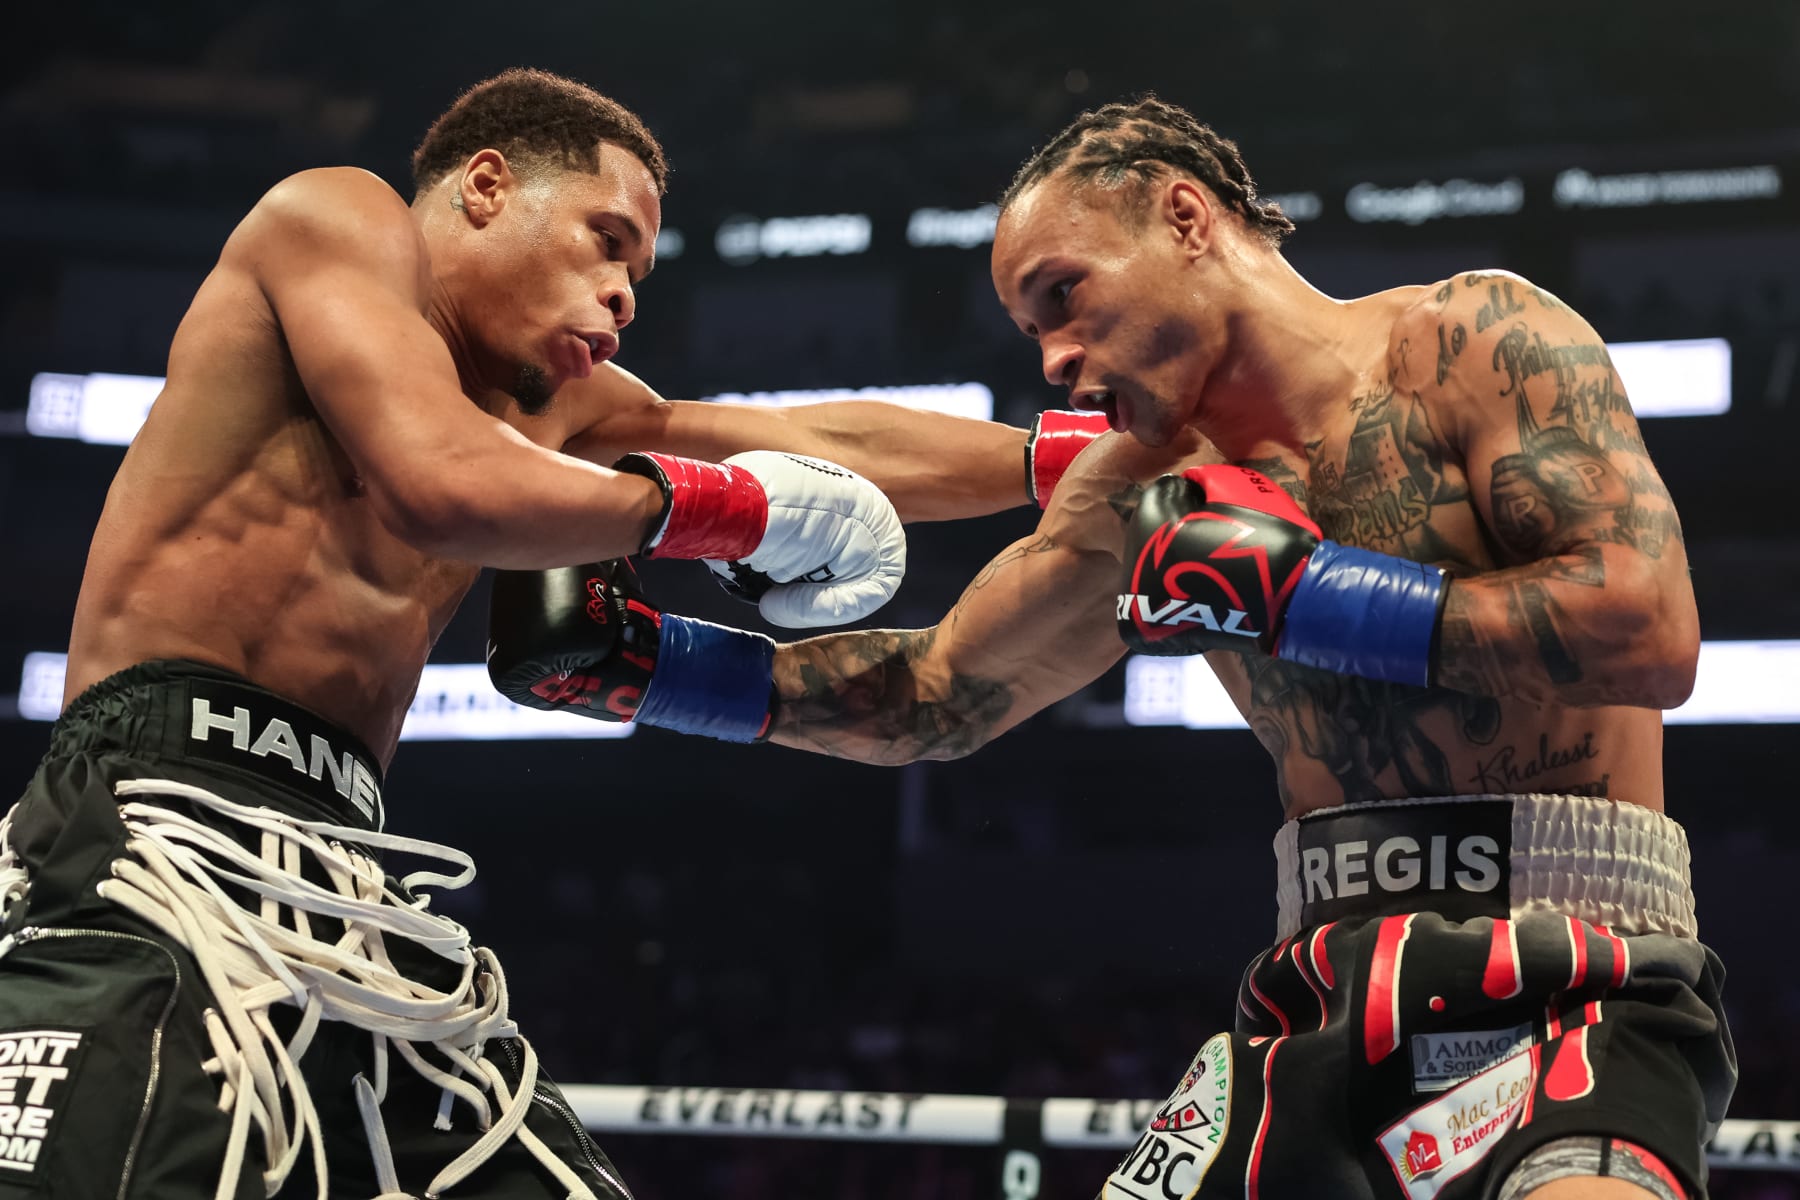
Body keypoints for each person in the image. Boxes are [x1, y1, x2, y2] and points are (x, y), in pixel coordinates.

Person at [490, 97, 1735, 1200]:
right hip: (1323, 988)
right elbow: (934, 700)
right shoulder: (1143, 495)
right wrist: (653, 670)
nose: (1057, 361)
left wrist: (1307, 599)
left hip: (1577, 961)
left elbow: (1646, 629)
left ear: (1187, 219)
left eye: (1063, 296)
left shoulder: (1471, 341)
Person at [0, 66, 1087, 1200]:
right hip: (151, 829)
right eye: (604, 238)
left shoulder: (555, 406)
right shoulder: (331, 215)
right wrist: (713, 509)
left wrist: (1061, 465)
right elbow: (439, 483)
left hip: (345, 889)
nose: (624, 292)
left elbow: (804, 434)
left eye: (639, 270)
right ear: (484, 187)